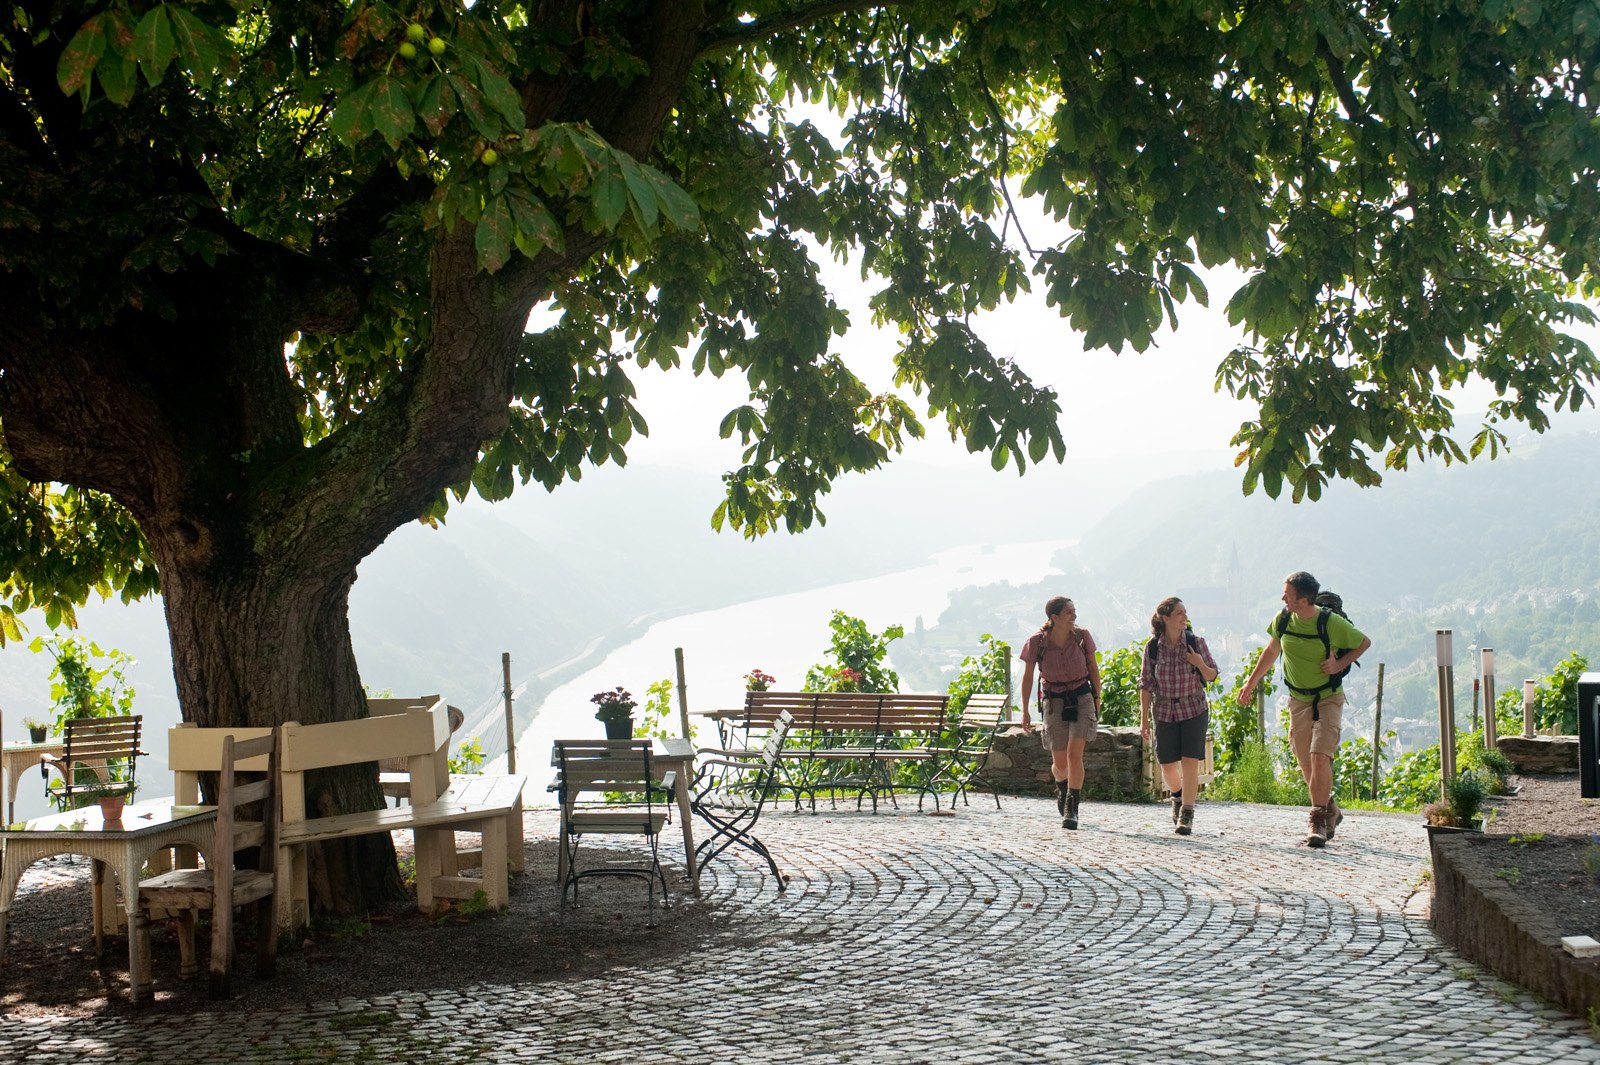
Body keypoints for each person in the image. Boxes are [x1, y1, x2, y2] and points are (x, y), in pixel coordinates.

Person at [1238, 571, 1371, 848]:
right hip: (1298, 700)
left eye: (1288, 594)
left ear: (1303, 599)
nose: (1282, 597)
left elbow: (1363, 642)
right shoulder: (1283, 619)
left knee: (1320, 756)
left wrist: (1338, 664)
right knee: (1306, 763)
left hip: (1327, 698)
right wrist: (1250, 683)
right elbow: (1272, 651)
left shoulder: (1329, 623)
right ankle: (1330, 807)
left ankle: (1317, 821)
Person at [1018, 596, 1102, 830]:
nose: (1074, 616)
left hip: (1082, 696)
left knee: (1075, 755)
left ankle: (1072, 809)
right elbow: (1027, 677)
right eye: (1068, 612)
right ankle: (1062, 785)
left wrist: (1097, 697)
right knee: (1060, 763)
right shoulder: (1037, 642)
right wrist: (1025, 710)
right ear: (1054, 618)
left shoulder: (1082, 636)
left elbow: (1093, 667)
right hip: (1054, 701)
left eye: (1074, 611)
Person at [1138, 597, 1219, 836]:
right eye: (1179, 613)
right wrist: (1144, 719)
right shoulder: (1152, 647)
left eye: (1185, 612)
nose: (1184, 617)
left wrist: (1199, 663)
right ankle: (1178, 795)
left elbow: (1212, 675)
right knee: (1167, 765)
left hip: (1193, 708)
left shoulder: (1196, 643)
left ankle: (1187, 812)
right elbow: (1146, 684)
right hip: (1163, 711)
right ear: (1165, 617)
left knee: (1190, 762)